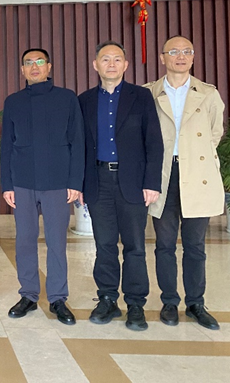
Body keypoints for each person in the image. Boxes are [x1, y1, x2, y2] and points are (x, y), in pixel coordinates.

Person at [79, 41, 163, 331]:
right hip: (98, 181)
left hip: (133, 182)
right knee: (104, 245)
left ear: (126, 65)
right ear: (96, 65)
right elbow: (79, 145)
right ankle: (107, 299)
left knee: (135, 246)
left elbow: (154, 141)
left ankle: (136, 303)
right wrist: (79, 184)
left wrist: (152, 182)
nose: (111, 64)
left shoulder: (141, 96)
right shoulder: (85, 100)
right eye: (105, 59)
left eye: (117, 59)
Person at [144, 36, 224, 330]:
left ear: (193, 57)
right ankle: (169, 301)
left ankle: (195, 303)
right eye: (174, 51)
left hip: (197, 174)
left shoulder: (208, 93)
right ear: (162, 57)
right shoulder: (148, 93)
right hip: (163, 175)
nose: (181, 56)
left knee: (195, 245)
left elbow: (215, 133)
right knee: (164, 244)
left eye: (187, 51)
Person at [1, 48, 84, 325]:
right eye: (28, 63)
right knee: (24, 241)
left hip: (57, 182)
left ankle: (58, 297)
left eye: (39, 62)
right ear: (22, 70)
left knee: (56, 242)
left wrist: (75, 182)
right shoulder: (13, 101)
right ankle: (28, 294)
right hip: (22, 183)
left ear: (49, 67)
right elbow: (7, 145)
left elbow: (78, 142)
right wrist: (7, 184)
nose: (34, 67)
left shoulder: (67, 98)